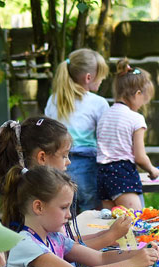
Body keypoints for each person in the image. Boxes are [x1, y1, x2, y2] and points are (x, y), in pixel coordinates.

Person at [2, 166, 159, 267]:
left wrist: (140, 254)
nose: (69, 215)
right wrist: (133, 264)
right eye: (64, 207)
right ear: (39, 207)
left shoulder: (54, 238)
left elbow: (100, 258)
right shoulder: (27, 245)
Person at [0, 116, 131, 250]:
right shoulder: (40, 196)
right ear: (42, 157)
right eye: (64, 155)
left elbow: (65, 242)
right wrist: (110, 236)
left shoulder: (33, 189)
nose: (68, 161)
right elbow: (65, 252)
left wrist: (107, 234)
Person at [45, 48, 110, 212]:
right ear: (89, 78)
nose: (102, 80)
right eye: (101, 76)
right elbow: (105, 139)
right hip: (88, 167)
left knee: (65, 213)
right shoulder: (98, 103)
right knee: (90, 213)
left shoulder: (53, 100)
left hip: (58, 167)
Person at [96, 58, 159, 210]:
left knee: (110, 224)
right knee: (135, 222)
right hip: (122, 175)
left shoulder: (104, 115)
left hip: (103, 176)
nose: (142, 105)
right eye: (144, 101)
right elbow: (140, 157)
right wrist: (152, 170)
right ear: (138, 94)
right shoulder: (135, 118)